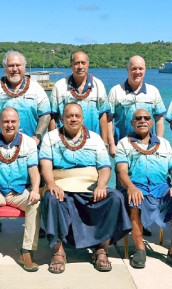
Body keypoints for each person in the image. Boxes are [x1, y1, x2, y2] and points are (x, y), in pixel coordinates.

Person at [39, 103, 131, 273]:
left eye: (77, 116)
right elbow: (45, 164)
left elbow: (104, 167)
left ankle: (102, 249)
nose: (73, 119)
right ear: (61, 119)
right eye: (69, 116)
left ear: (82, 119)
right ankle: (58, 251)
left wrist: (102, 185)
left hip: (89, 185)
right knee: (50, 198)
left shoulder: (95, 138)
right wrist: (51, 184)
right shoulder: (50, 137)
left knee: (115, 197)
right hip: (61, 184)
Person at [115, 109, 172, 271]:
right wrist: (131, 187)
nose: (142, 120)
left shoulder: (163, 143)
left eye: (146, 118)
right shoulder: (123, 143)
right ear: (132, 123)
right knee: (134, 199)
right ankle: (139, 248)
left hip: (161, 187)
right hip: (137, 186)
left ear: (151, 122)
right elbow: (121, 171)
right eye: (138, 118)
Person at [0, 108, 41, 272]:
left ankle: (26, 251)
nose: (9, 125)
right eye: (5, 121)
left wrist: (35, 190)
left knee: (36, 204)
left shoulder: (29, 143)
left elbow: (34, 170)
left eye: (13, 122)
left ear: (19, 123)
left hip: (19, 191)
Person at [0, 51, 51, 145]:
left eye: (18, 65)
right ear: (5, 68)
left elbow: (45, 115)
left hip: (29, 147)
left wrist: (36, 139)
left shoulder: (36, 89)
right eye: (11, 65)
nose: (15, 69)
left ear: (24, 67)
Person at [106, 55, 166, 157]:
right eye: (134, 69)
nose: (137, 72)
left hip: (148, 147)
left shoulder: (153, 91)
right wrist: (111, 145)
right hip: (122, 147)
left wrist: (158, 142)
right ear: (127, 70)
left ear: (145, 70)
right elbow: (108, 120)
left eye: (140, 68)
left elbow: (159, 120)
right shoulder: (115, 91)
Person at [49, 50, 111, 139]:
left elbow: (103, 115)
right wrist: (52, 141)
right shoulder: (59, 86)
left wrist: (104, 143)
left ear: (88, 64)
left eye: (83, 63)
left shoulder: (98, 85)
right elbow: (53, 116)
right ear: (71, 65)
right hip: (65, 140)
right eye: (77, 63)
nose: (80, 66)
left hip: (93, 140)